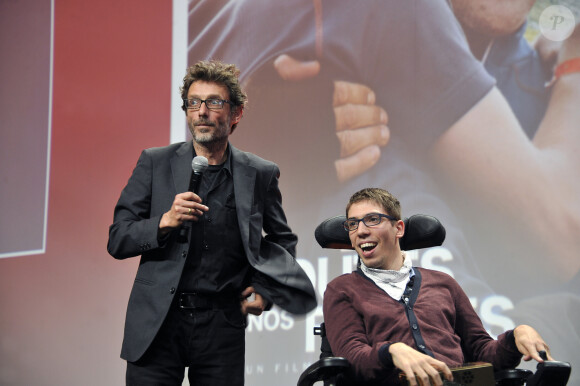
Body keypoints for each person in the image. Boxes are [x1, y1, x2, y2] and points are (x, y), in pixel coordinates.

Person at [107, 60, 317, 385]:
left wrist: (265, 290)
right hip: (157, 322)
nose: (202, 111)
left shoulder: (259, 173)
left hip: (222, 325)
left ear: (236, 113)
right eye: (194, 102)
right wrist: (164, 221)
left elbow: (281, 239)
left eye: (214, 102)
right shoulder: (155, 163)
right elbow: (118, 239)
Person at [323, 188, 553, 386]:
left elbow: (482, 352)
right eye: (353, 224)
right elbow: (352, 359)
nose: (361, 231)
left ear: (399, 229)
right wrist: (392, 351)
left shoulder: (444, 283)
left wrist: (515, 337)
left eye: (373, 220)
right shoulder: (342, 289)